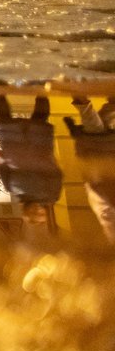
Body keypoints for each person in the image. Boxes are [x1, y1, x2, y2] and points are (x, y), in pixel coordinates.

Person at [0, 95, 63, 245]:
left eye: (33, 214)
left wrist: (1, 160)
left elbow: (3, 170)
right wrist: (49, 160)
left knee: (4, 118)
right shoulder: (51, 195)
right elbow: (57, 174)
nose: (37, 211)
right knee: (40, 118)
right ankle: (41, 87)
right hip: (38, 149)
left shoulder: (14, 190)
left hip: (14, 148)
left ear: (26, 212)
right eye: (40, 214)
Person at [64, 96, 115, 245]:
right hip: (104, 156)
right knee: (102, 127)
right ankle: (86, 103)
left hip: (99, 160)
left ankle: (83, 102)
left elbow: (94, 188)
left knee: (96, 131)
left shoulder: (106, 215)